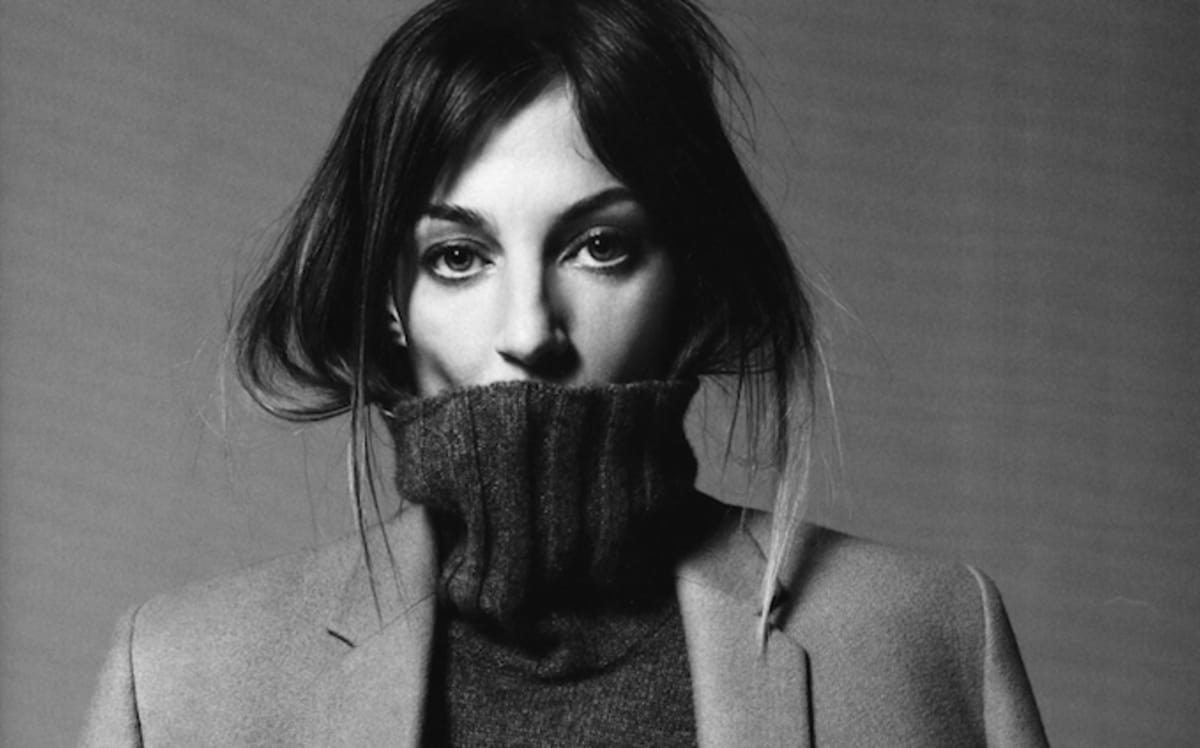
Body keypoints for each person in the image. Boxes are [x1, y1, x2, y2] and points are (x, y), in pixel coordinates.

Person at [81, 0, 1048, 744]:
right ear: (390, 302)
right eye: (458, 257)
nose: (529, 331)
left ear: (690, 275)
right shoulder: (176, 686)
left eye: (598, 247)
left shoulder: (926, 641)